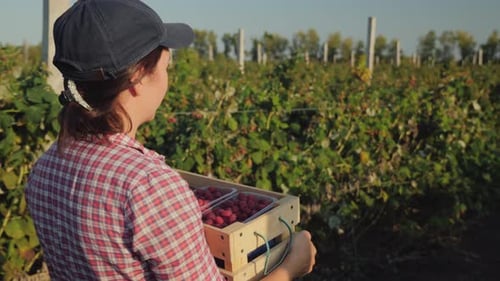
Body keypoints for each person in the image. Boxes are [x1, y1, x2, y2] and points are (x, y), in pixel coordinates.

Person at [25, 0, 316, 280]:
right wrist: (290, 267)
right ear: (138, 77)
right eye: (166, 65)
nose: (167, 76)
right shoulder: (149, 188)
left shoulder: (45, 168)